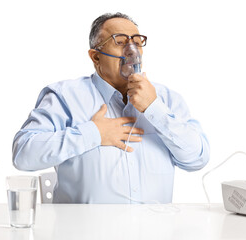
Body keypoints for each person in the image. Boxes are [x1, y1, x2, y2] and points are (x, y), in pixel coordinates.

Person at [12, 13, 210, 204]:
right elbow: (23, 154)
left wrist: (154, 109)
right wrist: (93, 133)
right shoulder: (64, 96)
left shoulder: (167, 99)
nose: (131, 50)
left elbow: (198, 159)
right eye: (120, 41)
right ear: (96, 57)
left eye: (137, 42)